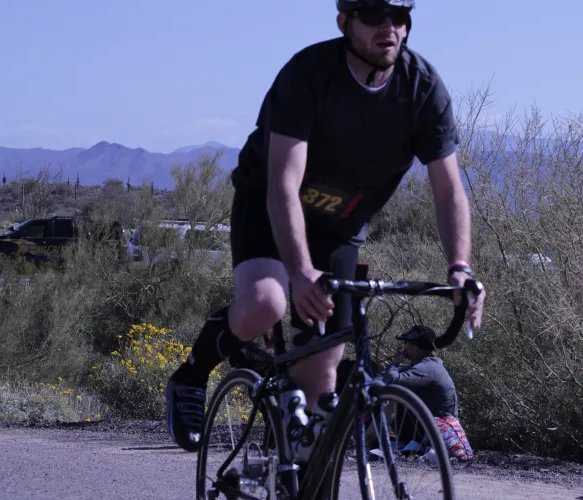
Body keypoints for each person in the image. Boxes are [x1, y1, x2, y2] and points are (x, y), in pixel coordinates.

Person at [163, 0, 486, 457]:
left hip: (339, 226)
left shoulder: (422, 89)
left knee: (324, 369)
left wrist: (459, 267)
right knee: (266, 302)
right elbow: (284, 183)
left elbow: (449, 190)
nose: (389, 27)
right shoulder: (309, 74)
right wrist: (298, 271)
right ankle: (192, 375)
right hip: (269, 201)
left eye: (399, 16)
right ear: (344, 23)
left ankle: (296, 469)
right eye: (373, 14)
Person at [379, 325, 474, 462]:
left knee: (394, 395)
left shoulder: (429, 367)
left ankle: (403, 445)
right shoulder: (419, 366)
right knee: (395, 397)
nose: (404, 347)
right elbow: (385, 380)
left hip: (439, 427)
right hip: (426, 426)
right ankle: (404, 444)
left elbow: (392, 381)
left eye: (407, 343)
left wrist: (395, 362)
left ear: (416, 349)